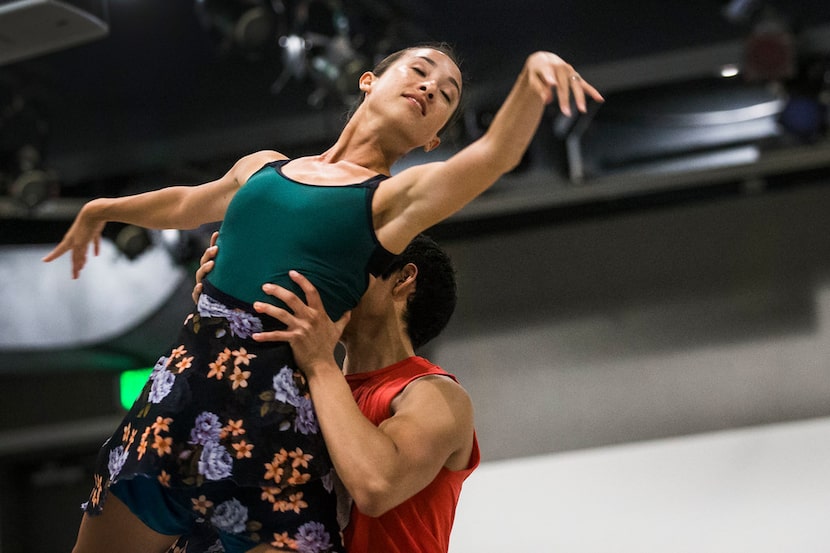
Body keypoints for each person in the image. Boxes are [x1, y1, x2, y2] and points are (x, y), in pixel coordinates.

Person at [44, 42, 602, 553]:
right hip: (176, 400)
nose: (432, 87)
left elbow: (491, 158)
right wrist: (102, 208)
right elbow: (190, 202)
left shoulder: (388, 202)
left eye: (448, 95)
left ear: (431, 140)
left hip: (272, 430)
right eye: (421, 71)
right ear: (367, 81)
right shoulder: (262, 167)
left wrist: (531, 80)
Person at [173, 232, 474, 553]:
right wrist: (224, 312)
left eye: (345, 263)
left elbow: (376, 486)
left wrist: (318, 361)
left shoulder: (437, 394)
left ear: (403, 278)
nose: (325, 276)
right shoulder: (307, 387)